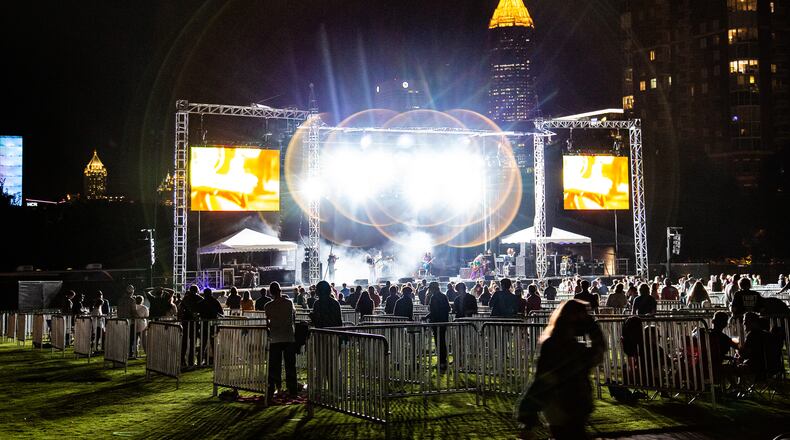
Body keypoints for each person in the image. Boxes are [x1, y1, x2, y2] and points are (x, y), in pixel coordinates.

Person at [517, 300, 606, 439]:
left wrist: (527, 416)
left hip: (561, 408)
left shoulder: (552, 343)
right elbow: (598, 352)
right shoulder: (572, 348)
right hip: (568, 405)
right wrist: (593, 327)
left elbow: (540, 379)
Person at [263, 282, 298, 400]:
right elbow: (294, 317)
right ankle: (292, 389)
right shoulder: (289, 303)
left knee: (274, 367)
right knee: (290, 365)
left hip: (275, 338)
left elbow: (268, 322)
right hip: (288, 337)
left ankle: (274, 388)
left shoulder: (268, 306)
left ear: (271, 292)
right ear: (280, 290)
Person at [424, 282, 450, 370]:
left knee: (439, 342)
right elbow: (448, 308)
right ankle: (443, 360)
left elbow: (434, 311)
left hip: (437, 322)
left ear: (433, 288)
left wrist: (427, 316)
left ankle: (442, 361)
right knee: (442, 341)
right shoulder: (443, 296)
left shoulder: (434, 297)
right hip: (444, 322)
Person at [178, 285, 204, 367]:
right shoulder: (199, 298)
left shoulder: (186, 298)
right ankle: (191, 361)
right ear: (197, 290)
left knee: (184, 342)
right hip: (194, 322)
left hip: (185, 322)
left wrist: (180, 318)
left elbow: (180, 309)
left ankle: (182, 360)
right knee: (193, 342)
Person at [117, 285, 138, 356]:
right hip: (129, 322)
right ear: (132, 292)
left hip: (121, 321)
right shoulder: (132, 300)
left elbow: (118, 311)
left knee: (122, 338)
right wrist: (138, 317)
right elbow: (134, 311)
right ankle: (130, 353)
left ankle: (121, 352)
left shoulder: (120, 300)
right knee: (130, 338)